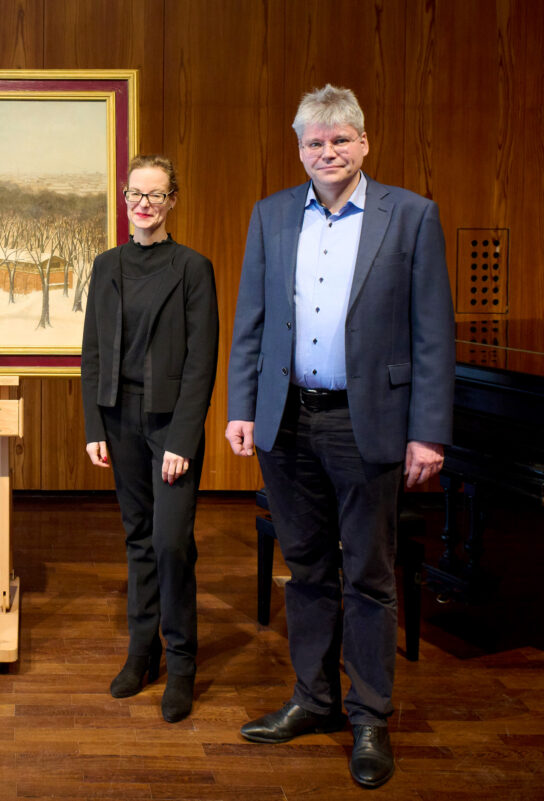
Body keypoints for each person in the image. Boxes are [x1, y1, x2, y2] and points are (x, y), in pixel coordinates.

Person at [225, 85, 454, 788]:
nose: (327, 152)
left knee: (371, 575)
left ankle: (369, 717)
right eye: (314, 142)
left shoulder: (410, 216)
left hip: (370, 423)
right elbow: (252, 323)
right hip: (286, 420)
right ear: (299, 149)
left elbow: (432, 336)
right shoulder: (270, 216)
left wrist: (428, 433)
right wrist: (243, 407)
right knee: (307, 568)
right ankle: (314, 699)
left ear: (363, 143)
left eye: (340, 140)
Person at [82, 154, 219, 723]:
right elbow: (91, 351)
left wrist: (184, 439)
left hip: (170, 425)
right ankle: (144, 654)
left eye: (155, 194)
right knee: (138, 540)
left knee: (171, 543)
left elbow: (201, 362)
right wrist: (94, 425)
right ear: (124, 198)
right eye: (135, 193)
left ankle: (182, 663)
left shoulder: (192, 268)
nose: (143, 203)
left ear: (171, 202)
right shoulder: (106, 266)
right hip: (119, 419)